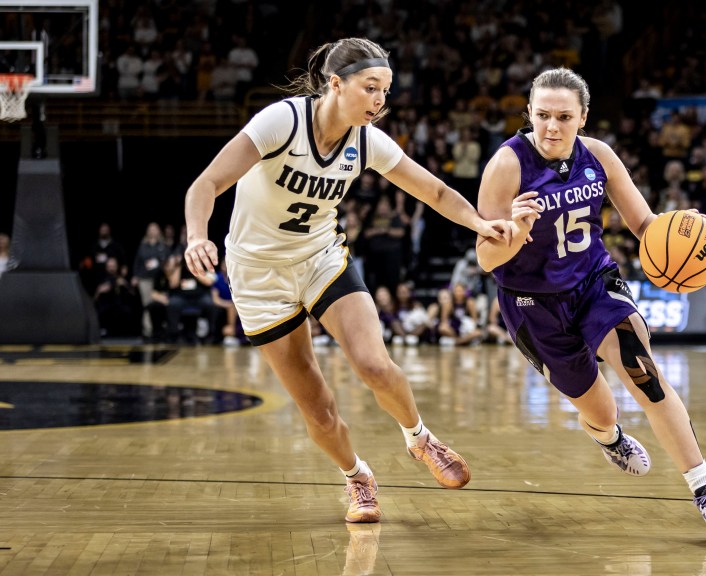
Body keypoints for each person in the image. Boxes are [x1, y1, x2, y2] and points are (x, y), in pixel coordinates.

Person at [182, 37, 513, 524]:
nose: (380, 100)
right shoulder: (281, 122)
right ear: (336, 84)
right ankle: (357, 476)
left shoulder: (367, 141)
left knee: (374, 364)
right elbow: (206, 184)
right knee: (317, 409)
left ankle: (421, 439)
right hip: (258, 275)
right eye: (370, 87)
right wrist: (196, 236)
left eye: (385, 90)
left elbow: (436, 192)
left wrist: (481, 223)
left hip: (321, 258)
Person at [475, 68, 706, 540]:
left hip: (594, 283)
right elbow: (485, 258)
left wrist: (680, 228)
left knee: (645, 375)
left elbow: (644, 224)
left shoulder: (598, 155)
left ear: (583, 117)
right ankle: (609, 436)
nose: (552, 126)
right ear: (529, 114)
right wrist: (516, 232)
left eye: (564, 117)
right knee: (600, 410)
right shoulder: (506, 166)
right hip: (531, 302)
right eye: (543, 115)